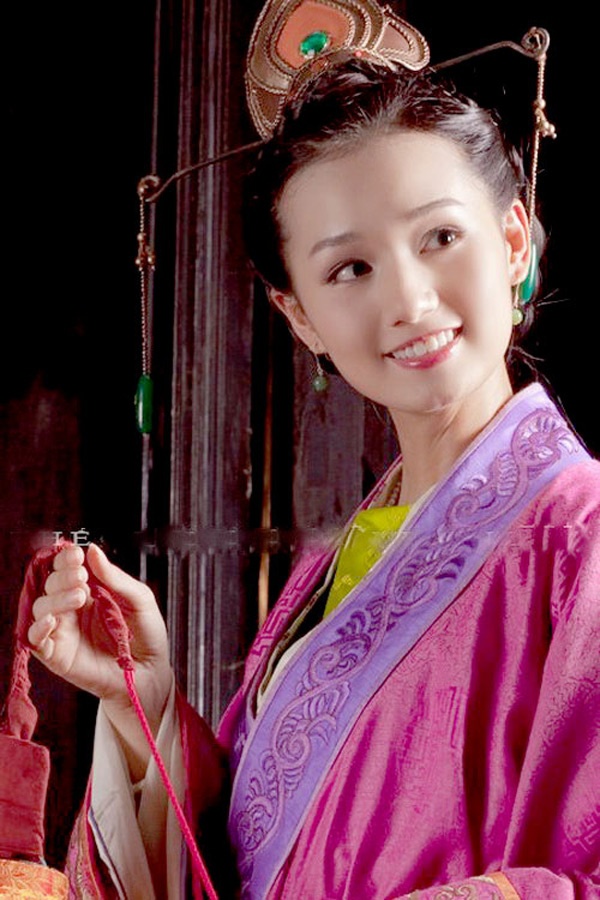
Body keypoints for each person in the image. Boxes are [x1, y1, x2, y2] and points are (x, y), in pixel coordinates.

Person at [26, 7, 600, 899]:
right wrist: (148, 703)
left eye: (440, 237)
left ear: (515, 240)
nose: (409, 301)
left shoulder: (582, 537)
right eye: (349, 269)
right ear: (300, 316)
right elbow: (245, 864)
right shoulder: (333, 569)